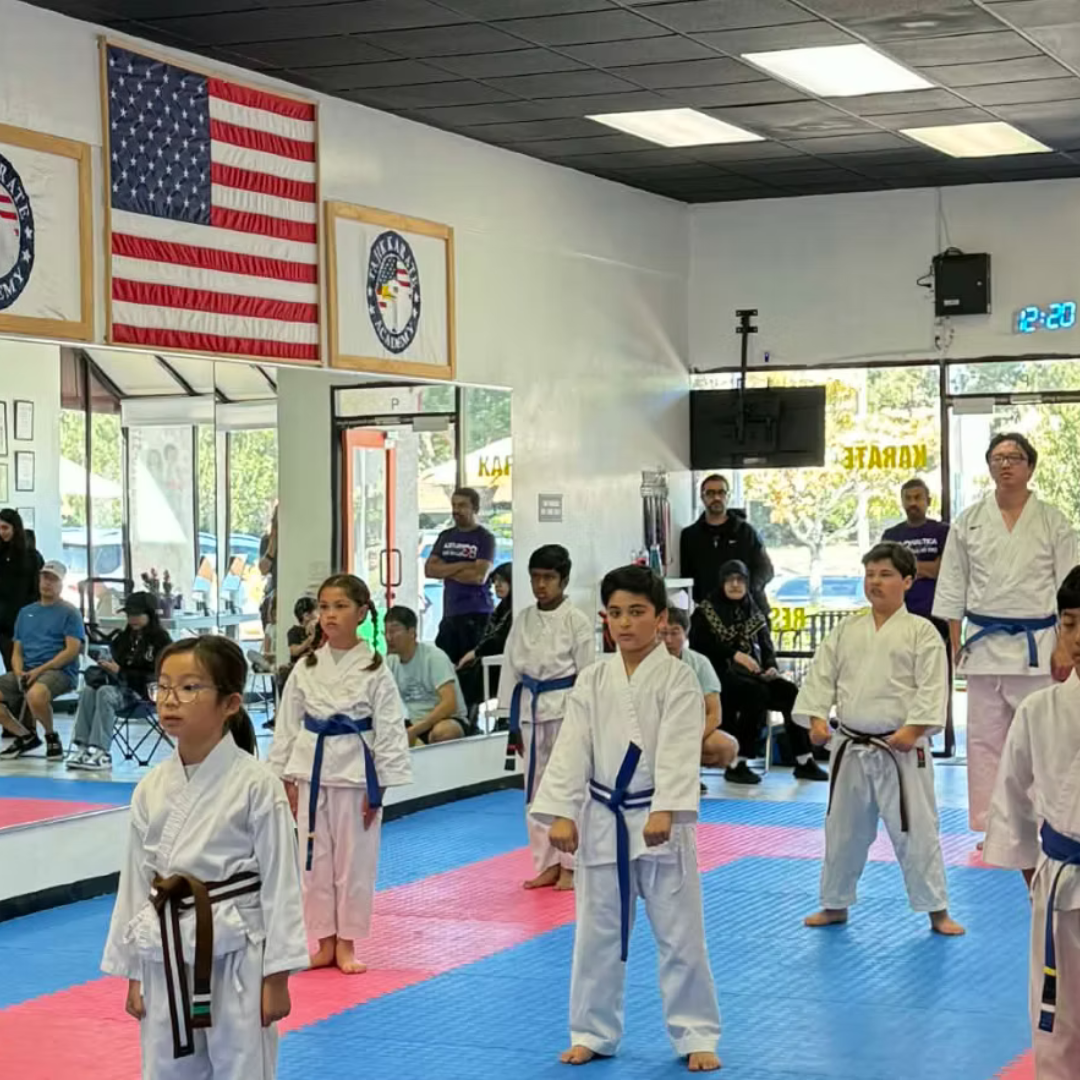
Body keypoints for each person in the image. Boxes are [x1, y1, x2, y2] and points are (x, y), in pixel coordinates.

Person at [531, 566, 721, 1072]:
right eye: (616, 613)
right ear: (605, 619)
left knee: (680, 935)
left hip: (659, 820)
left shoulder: (678, 677)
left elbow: (682, 745)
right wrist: (563, 813)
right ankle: (592, 1030)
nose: (625, 623)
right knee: (596, 935)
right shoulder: (594, 678)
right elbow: (572, 747)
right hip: (600, 818)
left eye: (637, 612)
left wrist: (667, 808)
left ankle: (696, 1032)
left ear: (660, 619)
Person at [101, 636, 308, 1078]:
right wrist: (133, 971)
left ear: (231, 703)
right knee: (166, 1065)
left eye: (190, 688)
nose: (171, 700)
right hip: (165, 948)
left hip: (236, 948)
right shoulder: (150, 788)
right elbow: (137, 885)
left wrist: (278, 976)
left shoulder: (257, 785)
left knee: (241, 1066)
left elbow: (281, 882)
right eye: (163, 687)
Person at [795, 542, 964, 936]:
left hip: (901, 749)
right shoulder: (846, 629)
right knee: (842, 829)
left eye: (885, 574)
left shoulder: (923, 632)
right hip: (851, 746)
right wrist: (817, 719)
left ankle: (936, 910)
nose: (875, 582)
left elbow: (932, 688)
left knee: (917, 830)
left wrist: (913, 729)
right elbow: (822, 676)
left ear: (907, 581)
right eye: (870, 574)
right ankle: (834, 904)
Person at [933, 432, 1078, 836]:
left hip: (1040, 644)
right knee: (984, 741)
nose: (1006, 464)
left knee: (1042, 738)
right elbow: (953, 584)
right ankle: (995, 827)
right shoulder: (970, 520)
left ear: (1030, 467)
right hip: (983, 644)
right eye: (997, 457)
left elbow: (1070, 588)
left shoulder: (1053, 520)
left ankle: (1049, 821)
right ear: (989, 466)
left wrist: (1066, 646)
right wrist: (955, 640)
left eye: (1014, 457)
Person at [269, 574, 412, 974]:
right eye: (325, 607)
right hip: (310, 768)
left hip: (356, 772)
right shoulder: (307, 666)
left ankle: (346, 942)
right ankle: (323, 941)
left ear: (363, 612)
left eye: (340, 607)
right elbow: (287, 723)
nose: (329, 615)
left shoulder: (375, 668)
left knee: (355, 861)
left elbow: (388, 729)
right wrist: (283, 775)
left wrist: (378, 786)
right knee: (313, 861)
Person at [984, 566, 1080, 1079]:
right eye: (1069, 623)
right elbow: (1012, 801)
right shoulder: (1039, 711)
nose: (1079, 637)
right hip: (1062, 884)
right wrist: (1034, 876)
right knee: (1057, 1022)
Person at [498, 545, 594, 891]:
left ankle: (571, 864)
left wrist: (585, 719)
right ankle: (546, 863)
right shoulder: (522, 618)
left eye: (549, 578)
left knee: (568, 787)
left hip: (566, 707)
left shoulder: (577, 621)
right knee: (534, 791)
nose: (541, 585)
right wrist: (505, 714)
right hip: (529, 709)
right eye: (536, 578)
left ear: (564, 580)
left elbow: (587, 673)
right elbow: (510, 666)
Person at [689, 560, 826, 785]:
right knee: (755, 694)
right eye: (730, 580)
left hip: (753, 675)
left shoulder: (753, 608)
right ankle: (738, 763)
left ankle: (804, 760)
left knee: (789, 691)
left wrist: (771, 665)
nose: (735, 585)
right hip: (718, 676)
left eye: (740, 580)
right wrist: (734, 654)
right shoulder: (706, 611)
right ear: (721, 582)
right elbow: (701, 647)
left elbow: (766, 643)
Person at [67, 591, 172, 771]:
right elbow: (114, 662)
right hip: (119, 688)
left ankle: (102, 752)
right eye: (129, 615)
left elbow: (159, 676)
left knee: (105, 693)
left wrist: (121, 671)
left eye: (137, 614)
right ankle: (82, 747)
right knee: (89, 691)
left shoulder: (161, 640)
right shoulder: (123, 638)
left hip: (144, 693)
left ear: (150, 614)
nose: (132, 619)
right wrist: (105, 665)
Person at [0, 561, 84, 761]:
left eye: (53, 579)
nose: (47, 583)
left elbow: (71, 651)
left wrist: (38, 671)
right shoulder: (25, 612)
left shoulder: (70, 612)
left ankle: (50, 736)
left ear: (61, 584)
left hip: (59, 671)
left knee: (35, 694)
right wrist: (19, 671)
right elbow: (17, 650)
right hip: (27, 670)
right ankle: (24, 736)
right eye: (45, 578)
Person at [661, 606, 738, 771]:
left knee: (727, 747)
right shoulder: (644, 662)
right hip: (653, 731)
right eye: (662, 633)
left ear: (685, 634)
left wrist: (689, 740)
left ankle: (687, 772)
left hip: (688, 730)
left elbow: (715, 715)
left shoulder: (700, 663)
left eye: (674, 633)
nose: (668, 640)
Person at [680, 474, 773, 611]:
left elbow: (766, 570)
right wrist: (707, 601)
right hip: (712, 616)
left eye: (721, 492)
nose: (716, 498)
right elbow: (687, 577)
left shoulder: (746, 532)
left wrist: (745, 591)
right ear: (702, 497)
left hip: (750, 612)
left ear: (728, 496)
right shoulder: (690, 536)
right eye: (710, 493)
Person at [424, 487, 495, 663]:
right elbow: (429, 570)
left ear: (475, 509)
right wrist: (464, 564)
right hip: (450, 614)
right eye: (454, 505)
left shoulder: (485, 538)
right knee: (445, 667)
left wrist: (445, 569)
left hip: (477, 614)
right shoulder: (445, 536)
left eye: (462, 505)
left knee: (471, 670)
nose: (456, 510)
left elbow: (478, 577)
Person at [385, 606, 469, 745]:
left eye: (394, 631)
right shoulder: (390, 662)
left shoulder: (434, 657)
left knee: (442, 733)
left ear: (412, 632)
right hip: (414, 723)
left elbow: (449, 704)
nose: (389, 637)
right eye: (386, 632)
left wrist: (414, 731)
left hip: (446, 720)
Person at [456, 562, 513, 712]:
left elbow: (498, 639)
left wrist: (475, 653)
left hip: (502, 664)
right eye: (495, 581)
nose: (497, 585)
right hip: (490, 660)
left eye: (502, 581)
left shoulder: (515, 609)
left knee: (466, 679)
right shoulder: (501, 608)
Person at [0, 509, 43, 674]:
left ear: (15, 528)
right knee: (11, 670)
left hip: (24, 621)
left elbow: (37, 590)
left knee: (24, 668)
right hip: (3, 625)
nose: (1, 532)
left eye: (5, 528)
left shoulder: (31, 557)